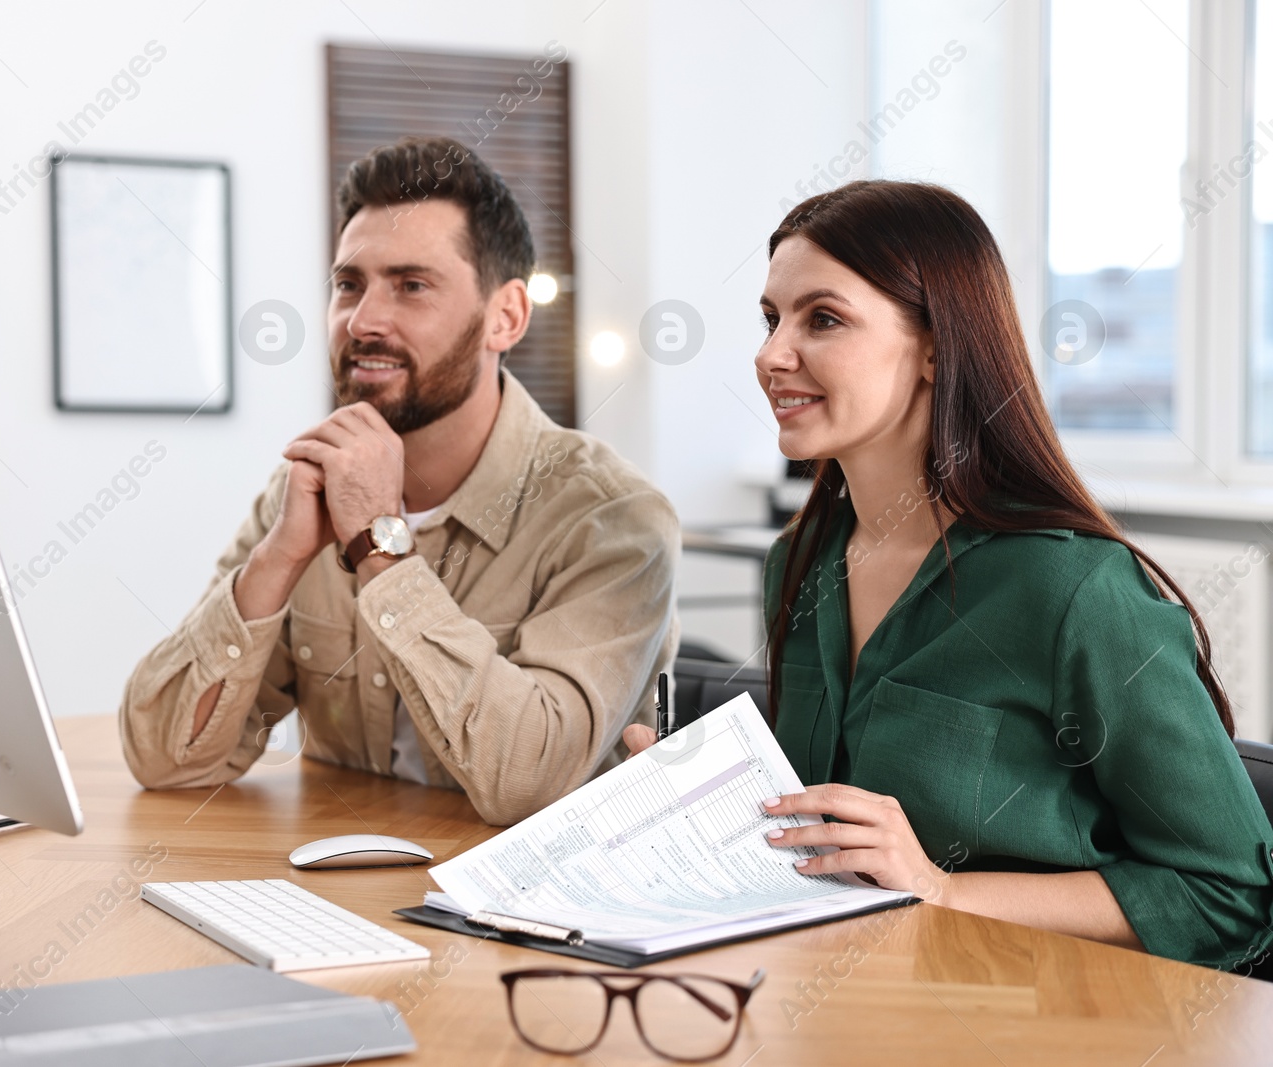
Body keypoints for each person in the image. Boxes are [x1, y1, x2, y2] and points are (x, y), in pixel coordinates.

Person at [626, 180, 1273, 970]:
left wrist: (938, 886)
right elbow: (823, 842)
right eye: (771, 319)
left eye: (822, 319)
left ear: (936, 345)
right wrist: (689, 805)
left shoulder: (1076, 591)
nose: (769, 355)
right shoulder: (799, 563)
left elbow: (1229, 892)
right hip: (839, 1008)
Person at [120, 136, 679, 826]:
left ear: (505, 317)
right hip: (340, 901)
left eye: (411, 286)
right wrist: (280, 557)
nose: (363, 320)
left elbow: (529, 782)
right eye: (349, 285)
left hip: (531, 916)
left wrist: (379, 546)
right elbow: (164, 757)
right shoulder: (299, 492)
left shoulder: (614, 518)